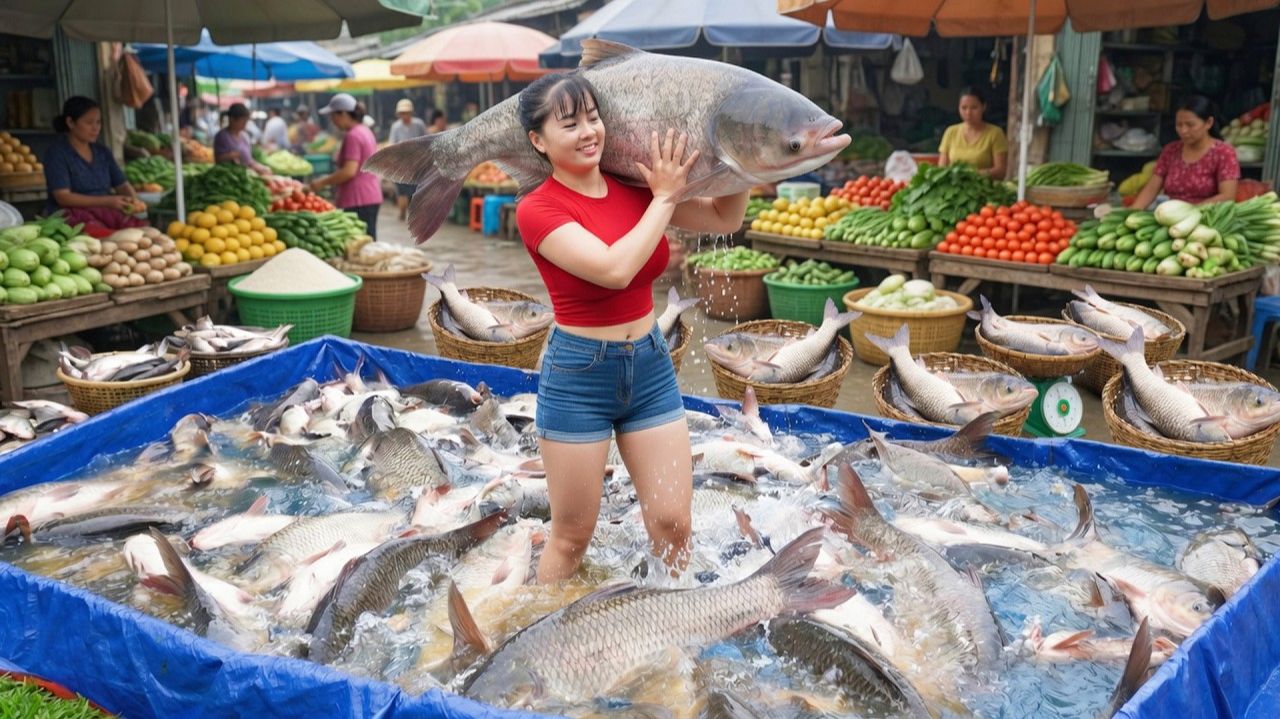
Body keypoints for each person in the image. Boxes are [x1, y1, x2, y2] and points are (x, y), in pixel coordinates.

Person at [514, 73, 748, 583]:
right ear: (538, 140)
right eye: (570, 124)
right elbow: (614, 269)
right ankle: (537, 624)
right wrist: (664, 199)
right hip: (579, 378)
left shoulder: (635, 185)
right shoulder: (537, 209)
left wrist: (744, 157)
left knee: (674, 525)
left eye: (593, 118)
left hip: (649, 367)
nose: (588, 132)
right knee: (572, 537)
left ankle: (671, 619)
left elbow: (723, 218)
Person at [42, 96, 146, 231]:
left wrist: (135, 201)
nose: (95, 128)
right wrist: (108, 201)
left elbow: (122, 184)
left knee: (143, 231)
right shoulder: (57, 153)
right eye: (89, 122)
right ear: (70, 122)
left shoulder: (102, 152)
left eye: (98, 122)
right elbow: (63, 197)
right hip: (70, 217)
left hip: (106, 213)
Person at [1129, 96, 1240, 208]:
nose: (1183, 130)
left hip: (1208, 215)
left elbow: (1227, 196)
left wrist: (1189, 211)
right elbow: (1151, 189)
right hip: (1172, 215)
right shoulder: (1170, 151)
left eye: (1190, 125)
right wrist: (1132, 212)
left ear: (1208, 123)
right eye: (1179, 125)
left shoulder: (1224, 153)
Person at [311, 93, 383, 239]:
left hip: (357, 199)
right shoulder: (365, 131)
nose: (332, 121)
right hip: (371, 195)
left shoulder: (353, 136)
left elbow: (349, 171)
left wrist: (321, 182)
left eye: (333, 116)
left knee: (359, 243)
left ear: (343, 114)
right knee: (367, 242)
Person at [938, 87, 1008, 179]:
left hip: (984, 186)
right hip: (954, 185)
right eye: (964, 108)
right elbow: (942, 169)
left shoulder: (995, 133)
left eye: (974, 108)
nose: (968, 113)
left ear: (983, 107)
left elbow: (1000, 171)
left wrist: (971, 174)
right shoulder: (951, 132)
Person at [388, 98, 428, 222]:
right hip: (402, 163)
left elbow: (426, 139)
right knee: (402, 191)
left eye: (406, 113)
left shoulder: (419, 124)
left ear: (411, 113)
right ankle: (402, 213)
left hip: (417, 163)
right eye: (402, 113)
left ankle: (417, 214)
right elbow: (392, 144)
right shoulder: (396, 127)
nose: (404, 116)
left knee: (417, 190)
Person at [213, 103, 270, 174]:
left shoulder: (245, 136)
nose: (245, 123)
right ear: (232, 119)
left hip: (246, 172)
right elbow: (218, 159)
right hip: (228, 174)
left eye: (246, 121)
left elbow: (249, 160)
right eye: (243, 121)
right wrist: (233, 155)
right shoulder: (222, 136)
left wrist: (260, 167)